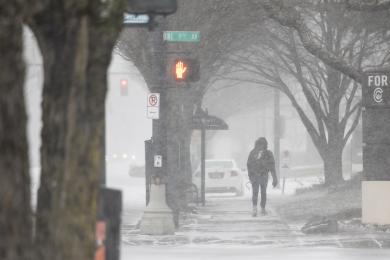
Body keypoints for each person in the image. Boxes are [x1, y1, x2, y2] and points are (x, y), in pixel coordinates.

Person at [247, 137, 278, 217]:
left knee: (263, 192)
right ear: (257, 144)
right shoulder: (253, 153)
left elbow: (272, 166)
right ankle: (254, 208)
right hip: (255, 175)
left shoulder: (268, 153)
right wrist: (250, 176)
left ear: (265, 145)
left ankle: (263, 208)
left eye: (263, 144)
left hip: (264, 175)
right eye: (260, 144)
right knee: (255, 192)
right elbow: (249, 165)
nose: (261, 146)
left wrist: (275, 178)